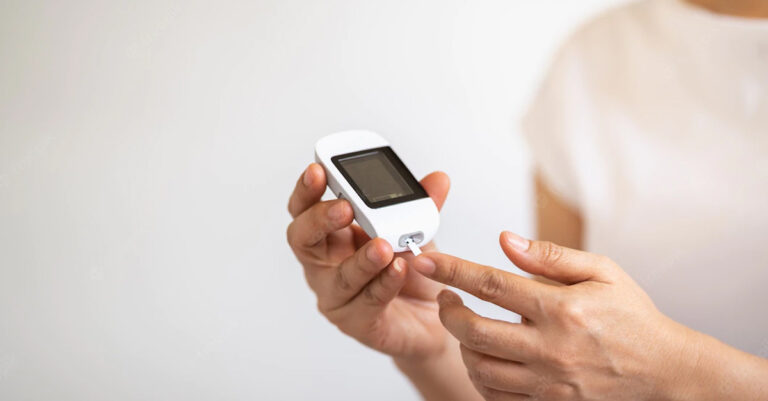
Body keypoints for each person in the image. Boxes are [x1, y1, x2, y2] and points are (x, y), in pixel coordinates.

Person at [286, 0, 768, 399]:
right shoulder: (590, 61)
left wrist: (676, 371)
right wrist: (432, 348)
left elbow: (640, 373)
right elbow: (564, 384)